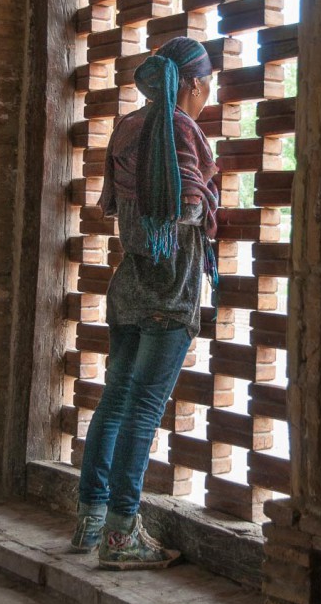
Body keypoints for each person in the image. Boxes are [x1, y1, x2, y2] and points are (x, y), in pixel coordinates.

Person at [70, 36, 219, 570]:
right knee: (143, 411)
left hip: (128, 284)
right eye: (209, 86)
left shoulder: (129, 127)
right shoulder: (180, 127)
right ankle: (121, 536)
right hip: (170, 289)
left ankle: (90, 518)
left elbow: (117, 204)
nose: (208, 95)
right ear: (195, 83)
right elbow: (188, 208)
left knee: (114, 402)